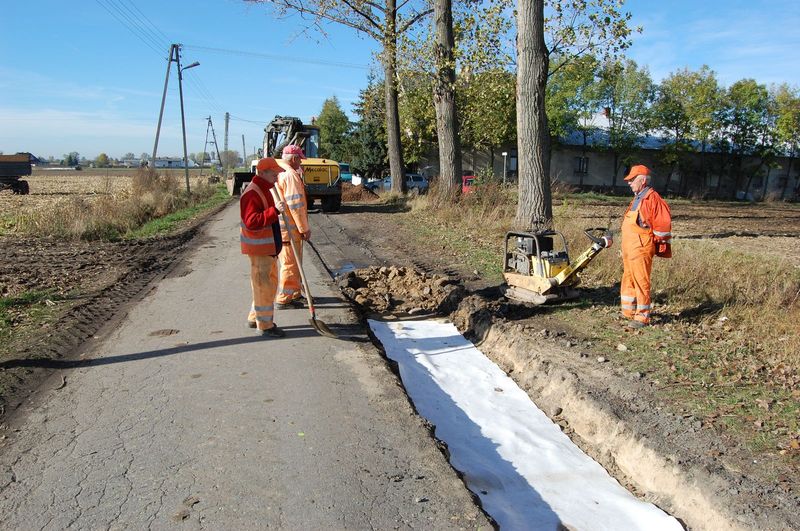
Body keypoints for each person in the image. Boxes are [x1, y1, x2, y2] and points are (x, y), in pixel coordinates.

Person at [240, 157, 288, 338]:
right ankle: (265, 325)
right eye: (273, 173)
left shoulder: (265, 189)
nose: (277, 177)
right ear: (262, 173)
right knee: (263, 287)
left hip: (266, 249)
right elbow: (251, 221)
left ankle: (254, 317)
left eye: (277, 173)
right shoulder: (253, 193)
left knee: (265, 285)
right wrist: (274, 211)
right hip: (259, 250)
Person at [620, 165, 672, 329]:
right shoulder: (638, 197)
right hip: (630, 247)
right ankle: (628, 313)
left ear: (642, 180)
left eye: (631, 180)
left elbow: (662, 228)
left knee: (641, 282)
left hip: (641, 246)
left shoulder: (652, 199)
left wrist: (658, 245)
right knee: (628, 278)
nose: (629, 183)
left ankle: (642, 317)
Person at [274, 144, 311, 310]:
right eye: (300, 160)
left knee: (293, 263)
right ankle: (284, 298)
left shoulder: (278, 172)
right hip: (289, 229)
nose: (300, 164)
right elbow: (296, 205)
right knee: (289, 264)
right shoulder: (290, 176)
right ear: (294, 158)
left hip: (284, 228)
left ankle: (294, 293)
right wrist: (304, 228)